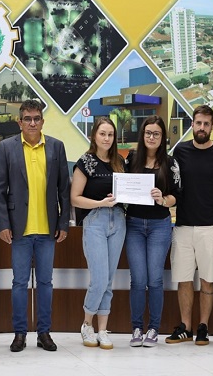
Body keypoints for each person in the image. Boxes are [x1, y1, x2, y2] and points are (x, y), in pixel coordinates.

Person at [0, 99, 70, 352]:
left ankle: (44, 333)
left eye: (37, 118)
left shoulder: (56, 147)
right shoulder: (7, 147)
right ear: (20, 122)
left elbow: (64, 190)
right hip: (19, 230)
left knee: (46, 283)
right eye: (28, 119)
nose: (33, 123)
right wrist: (3, 224)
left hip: (48, 230)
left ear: (43, 121)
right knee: (19, 283)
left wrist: (63, 223)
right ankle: (20, 333)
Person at [166, 105, 213, 346]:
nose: (202, 128)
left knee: (207, 280)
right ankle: (185, 327)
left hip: (210, 226)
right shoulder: (180, 151)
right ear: (192, 124)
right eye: (198, 123)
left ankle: (203, 327)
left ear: (212, 127)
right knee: (183, 279)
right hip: (182, 225)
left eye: (206, 124)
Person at [125, 115, 180, 348]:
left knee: (155, 279)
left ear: (162, 137)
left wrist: (163, 199)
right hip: (134, 225)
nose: (151, 137)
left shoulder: (171, 163)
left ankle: (154, 328)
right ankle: (137, 327)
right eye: (148, 133)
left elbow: (177, 195)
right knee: (138, 280)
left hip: (159, 225)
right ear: (142, 135)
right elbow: (122, 186)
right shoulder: (131, 159)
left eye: (156, 133)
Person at [71, 117, 126, 350]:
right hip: (95, 221)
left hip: (119, 221)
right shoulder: (85, 162)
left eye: (110, 134)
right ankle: (87, 324)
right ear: (94, 136)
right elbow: (75, 198)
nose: (107, 138)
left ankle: (103, 330)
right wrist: (100, 203)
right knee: (99, 278)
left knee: (109, 279)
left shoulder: (120, 162)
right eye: (102, 134)